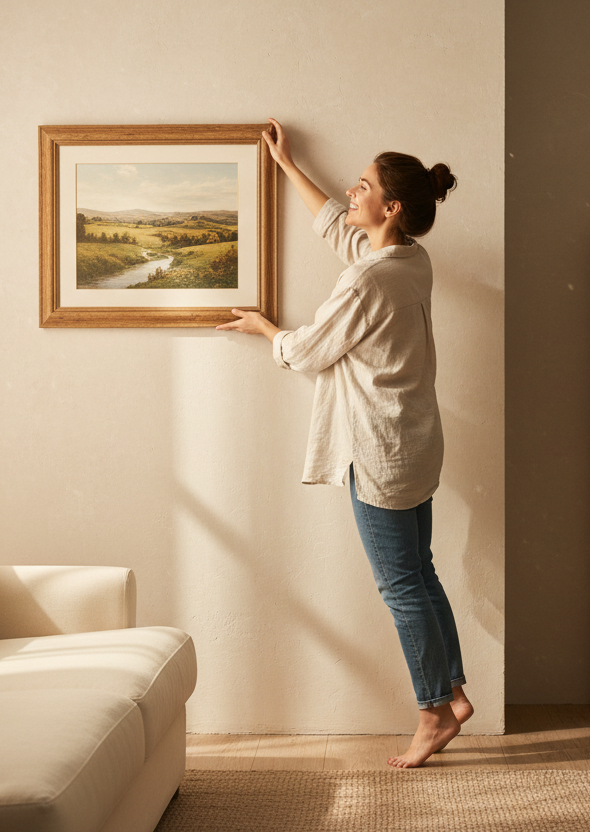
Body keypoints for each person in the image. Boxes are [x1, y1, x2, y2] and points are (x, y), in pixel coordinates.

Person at [217, 118, 469, 768]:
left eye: (362, 187)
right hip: (415, 443)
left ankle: (432, 713)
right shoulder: (410, 260)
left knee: (400, 587)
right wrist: (286, 163)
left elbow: (306, 351)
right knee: (422, 574)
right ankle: (453, 693)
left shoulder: (368, 282)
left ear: (391, 208)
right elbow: (338, 226)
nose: (350, 194)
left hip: (379, 452)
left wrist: (260, 327)